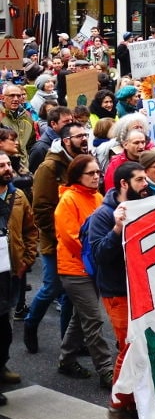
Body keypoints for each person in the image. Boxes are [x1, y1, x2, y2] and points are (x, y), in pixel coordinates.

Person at [92, 161, 149, 419]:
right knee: (129, 349)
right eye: (139, 180)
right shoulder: (102, 216)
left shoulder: (147, 203)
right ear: (124, 184)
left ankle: (138, 400)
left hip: (143, 288)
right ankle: (118, 406)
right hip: (118, 292)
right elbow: (99, 255)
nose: (146, 184)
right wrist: (117, 229)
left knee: (144, 347)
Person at [24, 121, 91, 354]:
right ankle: (31, 325)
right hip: (55, 242)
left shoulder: (83, 161)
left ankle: (68, 344)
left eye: (85, 134)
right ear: (66, 141)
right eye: (79, 136)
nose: (84, 139)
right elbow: (40, 209)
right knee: (53, 288)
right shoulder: (49, 167)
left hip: (78, 241)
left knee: (70, 297)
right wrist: (59, 236)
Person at [55, 154, 114, 385]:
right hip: (74, 269)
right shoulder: (68, 201)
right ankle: (106, 369)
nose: (96, 177)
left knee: (81, 318)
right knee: (94, 319)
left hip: (94, 268)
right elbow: (72, 239)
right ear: (77, 176)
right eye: (91, 173)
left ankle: (66, 359)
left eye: (98, 172)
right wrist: (101, 252)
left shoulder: (98, 197)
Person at [0, 151, 37, 405]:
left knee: (5, 327)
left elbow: (30, 230)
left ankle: (1, 366)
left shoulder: (18, 195)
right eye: (0, 165)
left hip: (12, 272)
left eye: (6, 164)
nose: (6, 168)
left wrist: (27, 259)